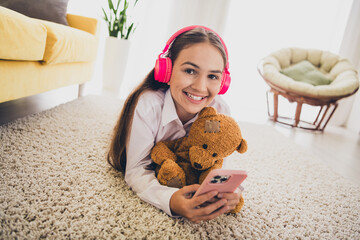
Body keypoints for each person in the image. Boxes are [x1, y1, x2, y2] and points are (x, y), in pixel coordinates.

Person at [107, 26, 242, 223]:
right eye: (190, 71)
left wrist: (231, 191)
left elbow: (218, 164)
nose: (200, 87)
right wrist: (170, 200)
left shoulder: (220, 110)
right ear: (166, 71)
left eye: (212, 76)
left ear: (223, 82)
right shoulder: (149, 105)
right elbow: (136, 170)